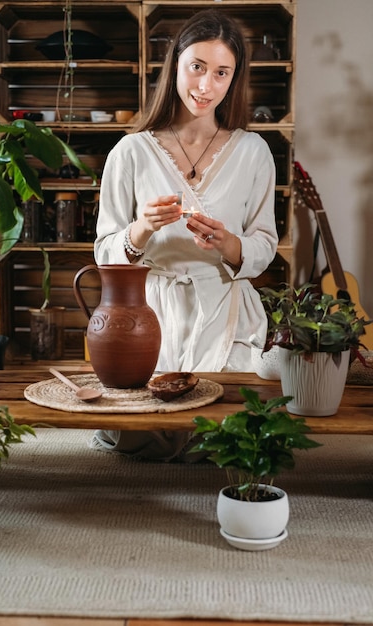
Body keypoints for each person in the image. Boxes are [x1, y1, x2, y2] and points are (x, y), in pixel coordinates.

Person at [90, 8, 278, 461]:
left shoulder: (254, 152)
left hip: (227, 306)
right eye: (197, 67)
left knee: (224, 436)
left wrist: (229, 244)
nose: (205, 86)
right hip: (148, 314)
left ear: (234, 78)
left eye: (221, 73)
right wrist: (141, 228)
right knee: (140, 436)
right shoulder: (131, 151)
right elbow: (104, 252)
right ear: (175, 64)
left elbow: (265, 244)